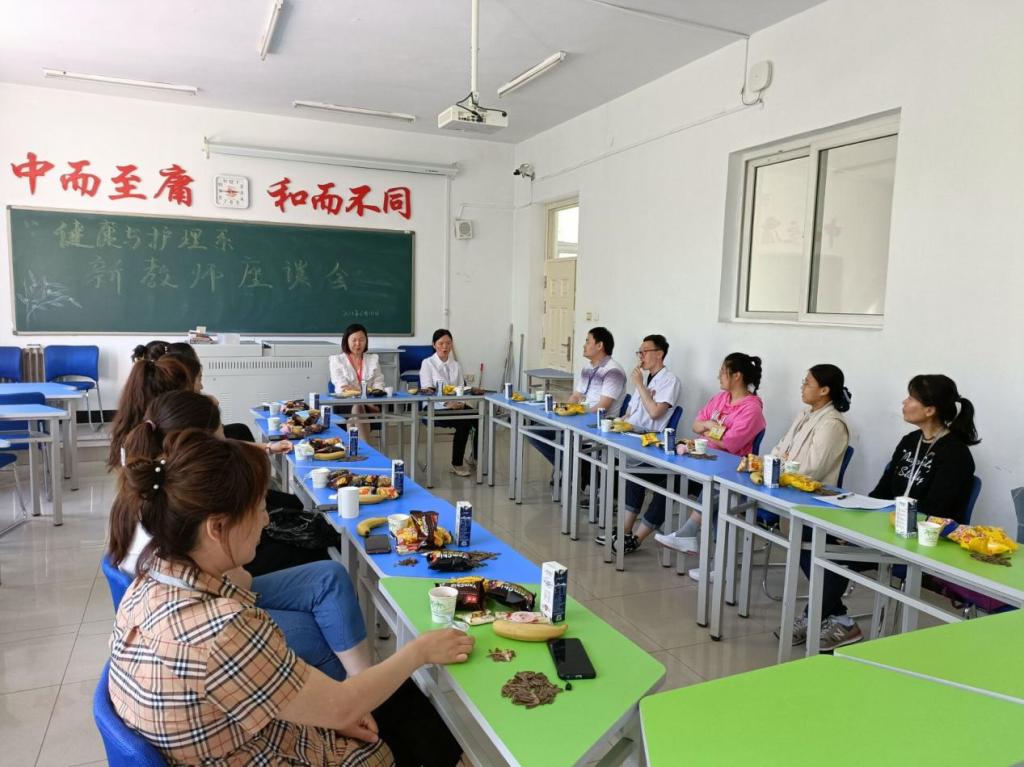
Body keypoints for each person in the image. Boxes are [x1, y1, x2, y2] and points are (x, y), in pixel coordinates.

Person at [109, 428, 472, 766]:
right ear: (217, 527)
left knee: (397, 703)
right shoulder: (221, 631)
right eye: (258, 509)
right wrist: (419, 651)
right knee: (420, 721)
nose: (266, 520)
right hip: (268, 751)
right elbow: (343, 706)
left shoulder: (146, 583)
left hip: (243, 735)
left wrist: (334, 713)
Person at [789, 374, 980, 651]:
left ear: (930, 409)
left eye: (911, 398)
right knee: (809, 536)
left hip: (923, 539)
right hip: (888, 528)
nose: (904, 402)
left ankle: (820, 617)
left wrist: (870, 530)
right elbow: (881, 492)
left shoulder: (956, 454)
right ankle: (837, 617)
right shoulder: (910, 441)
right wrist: (855, 520)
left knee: (833, 554)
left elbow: (935, 510)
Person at [657, 364, 850, 545]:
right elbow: (781, 447)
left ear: (824, 390)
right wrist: (767, 465)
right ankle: (705, 551)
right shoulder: (805, 414)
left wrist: (771, 470)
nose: (802, 387)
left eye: (807, 383)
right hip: (780, 480)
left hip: (801, 493)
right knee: (722, 487)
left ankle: (695, 540)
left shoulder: (832, 424)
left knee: (723, 489)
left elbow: (811, 469)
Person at [655, 353, 766, 579]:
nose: (719, 376)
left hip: (734, 471)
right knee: (676, 481)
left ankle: (691, 535)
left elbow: (732, 443)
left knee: (717, 491)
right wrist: (709, 426)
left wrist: (708, 432)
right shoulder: (720, 398)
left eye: (723, 371)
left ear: (737, 376)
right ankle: (715, 562)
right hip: (707, 461)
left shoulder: (751, 409)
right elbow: (696, 426)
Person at [594, 334, 681, 554]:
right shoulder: (647, 378)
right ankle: (624, 531)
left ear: (659, 354)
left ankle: (629, 535)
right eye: (639, 352)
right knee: (603, 455)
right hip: (631, 436)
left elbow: (655, 412)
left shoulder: (669, 380)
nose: (640, 356)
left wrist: (640, 385)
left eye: (644, 352)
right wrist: (616, 422)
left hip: (650, 442)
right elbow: (631, 413)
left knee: (632, 473)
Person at [528, 326, 626, 470]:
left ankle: (573, 473)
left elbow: (602, 407)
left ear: (600, 345)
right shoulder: (588, 368)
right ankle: (570, 471)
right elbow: (576, 396)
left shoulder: (613, 371)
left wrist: (575, 415)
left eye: (588, 341)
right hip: (577, 420)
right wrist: (563, 411)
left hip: (594, 425)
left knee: (563, 440)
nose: (584, 345)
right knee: (533, 432)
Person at [419, 328, 476, 477]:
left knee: (479, 417)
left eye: (448, 343)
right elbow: (427, 390)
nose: (445, 347)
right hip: (434, 407)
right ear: (434, 345)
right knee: (464, 421)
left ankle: (475, 457)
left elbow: (461, 388)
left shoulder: (456, 365)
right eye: (441, 343)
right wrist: (446, 404)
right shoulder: (427, 363)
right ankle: (457, 464)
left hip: (456, 405)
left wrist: (460, 402)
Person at [329, 323, 387, 442]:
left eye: (361, 340)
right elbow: (342, 388)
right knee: (357, 407)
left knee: (353, 420)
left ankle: (357, 449)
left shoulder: (373, 359)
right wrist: (364, 393)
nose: (358, 343)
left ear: (366, 341)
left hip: (371, 403)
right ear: (347, 341)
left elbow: (379, 383)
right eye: (354, 340)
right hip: (346, 404)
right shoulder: (337, 360)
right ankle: (367, 447)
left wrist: (357, 390)